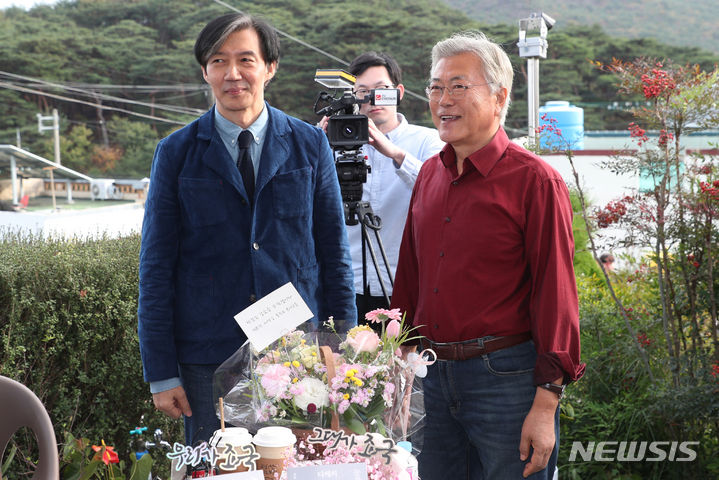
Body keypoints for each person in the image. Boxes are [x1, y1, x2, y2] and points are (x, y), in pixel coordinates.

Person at [137, 13, 356, 446]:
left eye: (245, 60)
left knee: (298, 469)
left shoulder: (310, 144)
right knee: (215, 469)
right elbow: (156, 267)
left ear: (270, 67)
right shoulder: (176, 153)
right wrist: (160, 372)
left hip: (297, 355)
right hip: (206, 359)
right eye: (218, 61)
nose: (232, 74)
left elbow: (334, 253)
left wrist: (342, 349)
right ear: (205, 71)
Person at [391, 32, 585, 479]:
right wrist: (400, 363)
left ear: (499, 97)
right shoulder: (430, 177)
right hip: (431, 380)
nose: (443, 100)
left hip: (506, 380)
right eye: (436, 87)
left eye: (459, 86)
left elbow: (556, 296)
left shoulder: (535, 181)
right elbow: (411, 278)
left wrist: (546, 401)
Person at [324, 52, 444, 323]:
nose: (371, 100)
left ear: (399, 92)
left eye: (381, 91)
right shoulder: (330, 144)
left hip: (404, 283)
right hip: (347, 286)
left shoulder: (428, 141)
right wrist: (316, 144)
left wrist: (394, 153)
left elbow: (442, 189)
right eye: (362, 92)